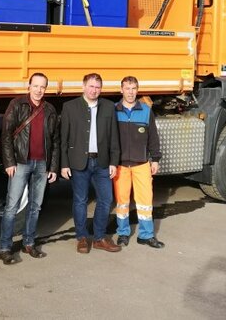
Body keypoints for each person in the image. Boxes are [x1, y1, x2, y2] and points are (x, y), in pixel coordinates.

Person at [0, 73, 59, 264]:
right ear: (29, 86)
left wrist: (53, 167)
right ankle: (5, 247)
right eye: (36, 86)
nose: (39, 90)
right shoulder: (17, 104)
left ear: (46, 89)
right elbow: (6, 135)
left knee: (35, 206)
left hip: (42, 164)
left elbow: (55, 140)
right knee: (12, 207)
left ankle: (29, 243)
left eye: (42, 87)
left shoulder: (50, 109)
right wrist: (9, 162)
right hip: (21, 163)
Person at [60, 72, 121, 253]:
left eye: (97, 87)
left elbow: (114, 136)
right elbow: (64, 138)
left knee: (106, 199)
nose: (94, 90)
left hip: (102, 162)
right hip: (79, 162)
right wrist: (64, 164)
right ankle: (82, 237)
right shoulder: (70, 107)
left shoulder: (108, 107)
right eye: (91, 86)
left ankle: (99, 238)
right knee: (80, 201)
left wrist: (114, 162)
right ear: (83, 86)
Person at [113, 76, 165, 248]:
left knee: (145, 202)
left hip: (141, 164)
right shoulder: (113, 110)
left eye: (133, 88)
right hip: (121, 165)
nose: (130, 92)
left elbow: (153, 137)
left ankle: (146, 235)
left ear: (137, 90)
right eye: (127, 88)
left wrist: (155, 159)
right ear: (121, 90)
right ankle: (123, 233)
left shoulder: (146, 110)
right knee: (122, 201)